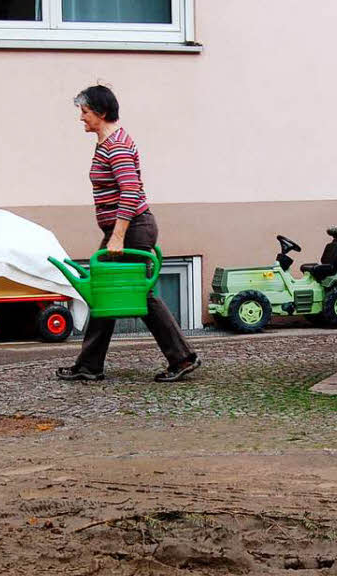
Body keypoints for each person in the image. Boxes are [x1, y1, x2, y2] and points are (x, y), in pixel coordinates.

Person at [57, 85, 200, 384]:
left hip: (132, 228)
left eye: (85, 112)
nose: (81, 118)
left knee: (137, 294)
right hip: (122, 229)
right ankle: (89, 365)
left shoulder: (117, 146)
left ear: (102, 112)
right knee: (103, 293)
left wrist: (118, 235)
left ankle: (182, 357)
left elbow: (131, 190)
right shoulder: (106, 143)